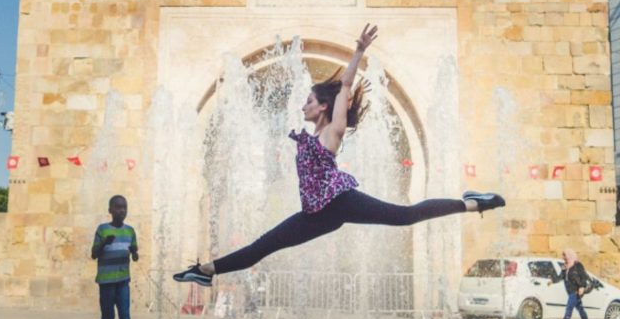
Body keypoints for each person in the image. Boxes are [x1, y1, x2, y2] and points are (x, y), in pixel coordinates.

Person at [173, 24, 505, 287]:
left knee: (405, 216)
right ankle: (204, 271)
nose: (302, 105)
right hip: (316, 214)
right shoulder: (310, 135)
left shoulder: (332, 132)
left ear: (322, 106)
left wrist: (359, 51)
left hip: (340, 201)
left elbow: (345, 88)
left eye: (308, 101)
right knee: (265, 245)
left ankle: (473, 203)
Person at [90, 195, 138, 319]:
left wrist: (134, 253)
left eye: (124, 207)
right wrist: (103, 243)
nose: (122, 211)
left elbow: (135, 254)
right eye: (118, 207)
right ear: (110, 210)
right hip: (107, 283)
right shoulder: (102, 229)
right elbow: (94, 254)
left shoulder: (130, 231)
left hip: (123, 282)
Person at [551, 249, 594, 319]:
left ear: (570, 256)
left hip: (576, 291)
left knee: (569, 307)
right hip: (570, 291)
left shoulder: (577, 265)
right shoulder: (565, 266)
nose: (563, 258)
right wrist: (552, 281)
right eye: (563, 256)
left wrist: (582, 286)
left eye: (565, 256)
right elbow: (561, 276)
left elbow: (584, 276)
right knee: (580, 310)